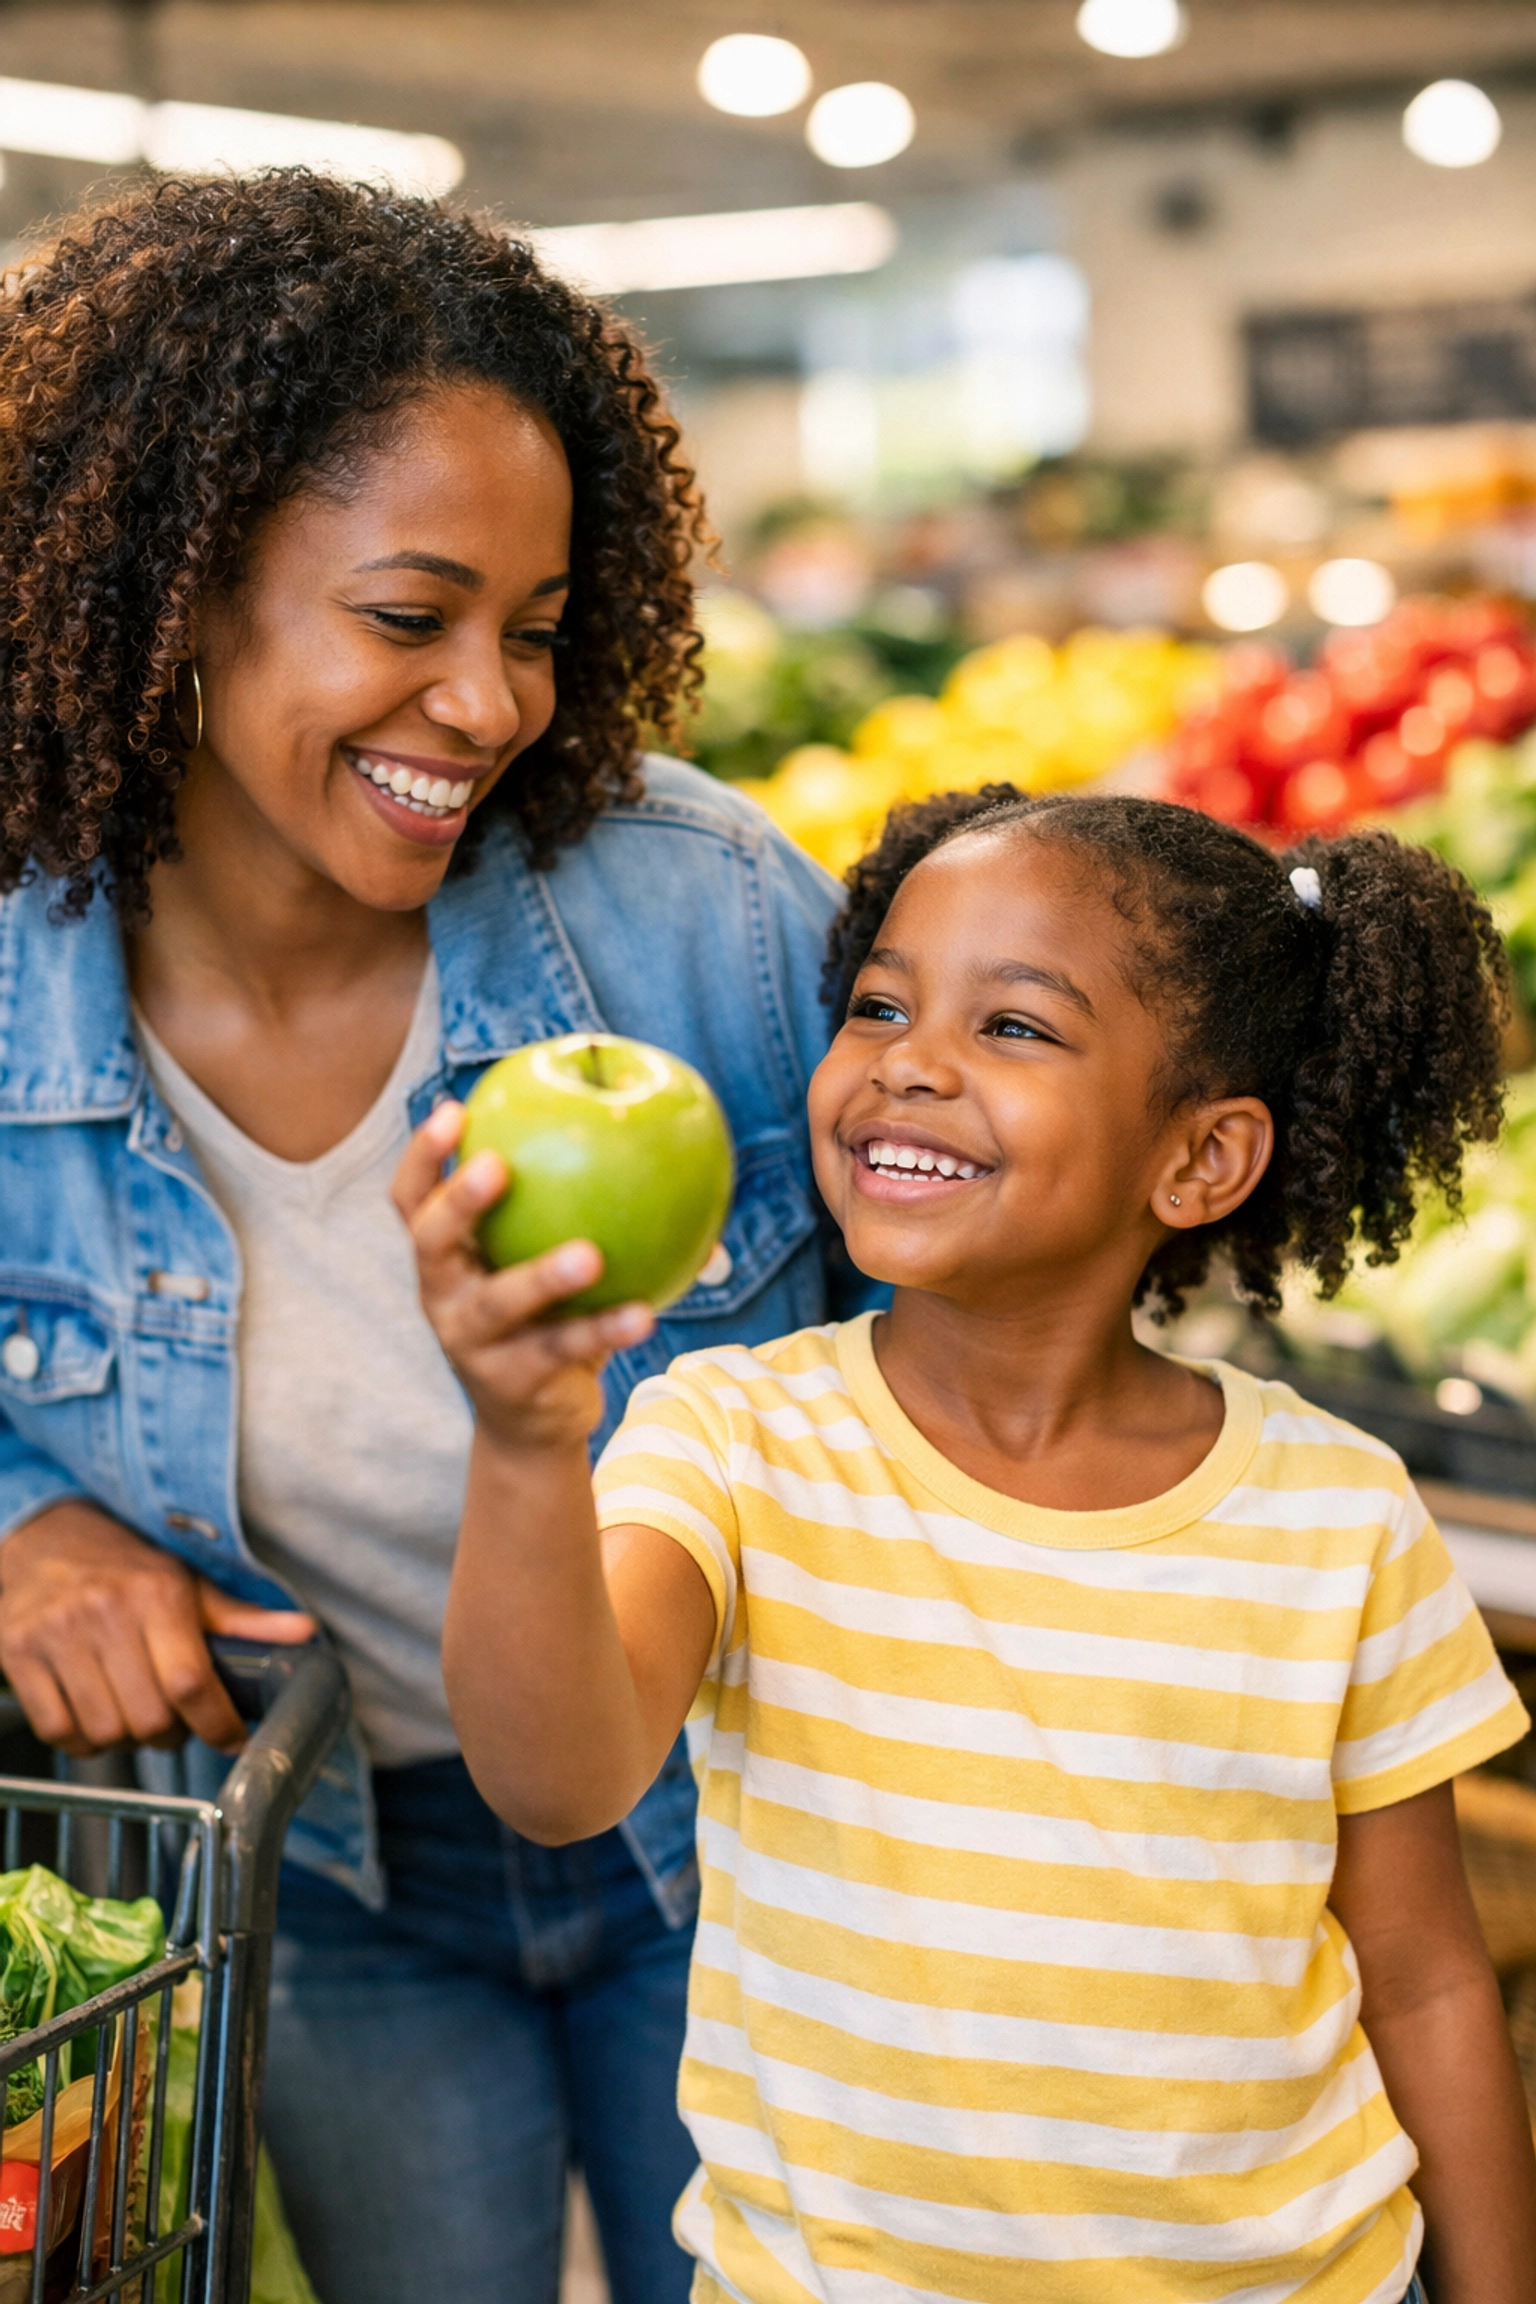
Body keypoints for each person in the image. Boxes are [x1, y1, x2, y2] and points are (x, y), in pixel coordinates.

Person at [0, 171, 877, 2304]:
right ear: (182, 587)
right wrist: (18, 1517)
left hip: (754, 1843)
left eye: (540, 629)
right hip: (339, 1873)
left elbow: (944, 1372)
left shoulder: (707, 918)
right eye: (411, 618)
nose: (490, 707)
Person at [402, 789, 1536, 2304]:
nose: (908, 1063)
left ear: (1200, 1160)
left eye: (1014, 1028)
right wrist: (528, 1434)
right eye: (880, 1003)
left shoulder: (1339, 1514)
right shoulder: (736, 1439)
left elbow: (1429, 1978)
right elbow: (556, 1781)